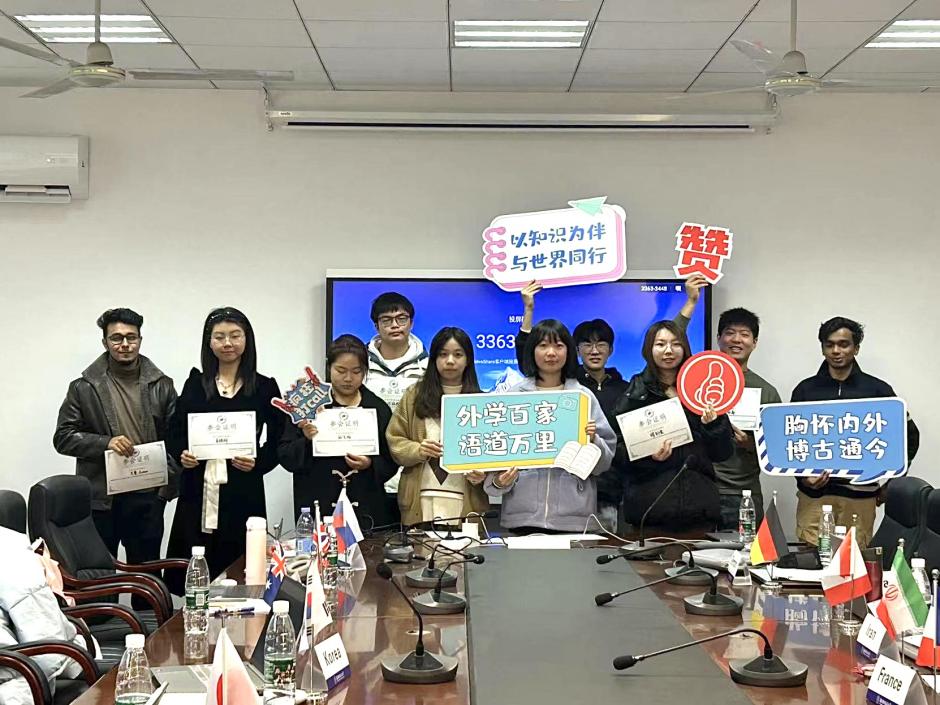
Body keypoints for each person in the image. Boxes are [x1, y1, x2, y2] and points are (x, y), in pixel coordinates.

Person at [511, 275, 708, 532]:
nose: (594, 350)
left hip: (612, 488)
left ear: (611, 350)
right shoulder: (571, 386)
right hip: (562, 488)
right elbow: (529, 361)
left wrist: (690, 305)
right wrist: (528, 311)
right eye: (587, 344)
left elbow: (662, 357)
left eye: (601, 344)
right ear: (576, 350)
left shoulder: (628, 389)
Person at [166, 307, 284, 586]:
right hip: (199, 486)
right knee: (198, 562)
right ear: (209, 342)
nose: (227, 343)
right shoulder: (195, 384)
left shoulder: (264, 386)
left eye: (235, 335)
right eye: (219, 337)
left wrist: (259, 462)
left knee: (243, 567)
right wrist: (182, 454)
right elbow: (174, 431)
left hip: (243, 486)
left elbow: (280, 438)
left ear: (247, 340)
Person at [53, 308, 178, 565]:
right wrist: (105, 443)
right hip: (102, 498)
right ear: (105, 342)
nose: (125, 344)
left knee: (146, 573)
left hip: (147, 496)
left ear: (140, 340)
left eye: (131, 337)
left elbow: (177, 439)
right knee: (100, 573)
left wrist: (163, 492)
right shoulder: (83, 387)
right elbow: (63, 437)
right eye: (116, 338)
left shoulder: (162, 385)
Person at [791, 317, 919, 548]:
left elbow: (909, 436)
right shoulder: (805, 390)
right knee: (810, 560)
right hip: (815, 498)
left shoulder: (878, 390)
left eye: (843, 344)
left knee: (854, 562)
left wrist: (891, 483)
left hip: (860, 500)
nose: (836, 351)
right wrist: (803, 478)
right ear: (822, 348)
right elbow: (790, 441)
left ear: (856, 348)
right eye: (829, 345)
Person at [485, 320, 616, 534]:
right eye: (543, 345)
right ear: (532, 350)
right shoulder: (513, 396)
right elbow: (495, 454)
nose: (551, 353)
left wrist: (593, 440)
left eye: (558, 346)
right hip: (521, 516)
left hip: (574, 518)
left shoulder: (583, 397)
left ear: (569, 351)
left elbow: (604, 463)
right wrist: (499, 481)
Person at [612, 320, 733, 532]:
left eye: (676, 344)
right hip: (650, 514)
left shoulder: (702, 390)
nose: (668, 351)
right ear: (648, 349)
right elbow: (618, 455)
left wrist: (712, 426)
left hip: (700, 511)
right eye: (660, 344)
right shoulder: (635, 393)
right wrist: (650, 457)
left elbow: (722, 453)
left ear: (685, 348)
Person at [278, 335, 398, 529]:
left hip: (365, 507)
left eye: (356, 371)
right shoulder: (308, 403)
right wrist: (307, 439)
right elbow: (285, 456)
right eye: (341, 370)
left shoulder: (378, 408)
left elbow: (392, 459)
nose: (348, 378)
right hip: (317, 503)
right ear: (329, 367)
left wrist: (370, 463)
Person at [386, 327, 489, 527]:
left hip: (465, 501)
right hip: (420, 500)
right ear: (433, 359)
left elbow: (493, 454)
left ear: (468, 359)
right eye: (443, 354)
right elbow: (395, 440)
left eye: (458, 354)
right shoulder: (414, 396)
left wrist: (482, 474)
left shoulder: (481, 402)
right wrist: (418, 450)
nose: (450, 361)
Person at [713, 308, 782, 530]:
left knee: (745, 552)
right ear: (718, 338)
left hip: (744, 494)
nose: (736, 339)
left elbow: (778, 450)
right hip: (702, 491)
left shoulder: (766, 391)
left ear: (754, 342)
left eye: (744, 334)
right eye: (729, 333)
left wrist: (752, 445)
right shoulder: (699, 382)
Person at [364, 292, 428, 409]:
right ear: (376, 326)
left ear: (411, 323)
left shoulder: (428, 365)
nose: (395, 325)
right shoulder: (361, 363)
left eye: (401, 319)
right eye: (386, 320)